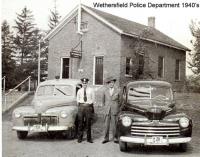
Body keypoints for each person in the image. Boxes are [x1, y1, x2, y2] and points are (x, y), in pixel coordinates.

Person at [102, 76, 121, 144]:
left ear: (114, 83)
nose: (111, 84)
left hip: (114, 110)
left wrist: (117, 109)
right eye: (110, 83)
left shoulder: (117, 90)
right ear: (108, 84)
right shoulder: (105, 91)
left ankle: (115, 138)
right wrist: (105, 108)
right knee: (106, 125)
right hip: (107, 110)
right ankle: (106, 138)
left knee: (114, 125)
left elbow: (120, 101)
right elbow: (103, 101)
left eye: (112, 82)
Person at [77, 78, 95, 143]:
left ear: (87, 83)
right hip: (81, 107)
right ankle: (80, 138)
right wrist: (80, 106)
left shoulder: (91, 90)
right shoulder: (79, 91)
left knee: (88, 123)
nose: (84, 84)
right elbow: (77, 99)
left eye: (85, 83)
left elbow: (93, 99)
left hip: (88, 107)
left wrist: (89, 104)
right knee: (80, 123)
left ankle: (89, 138)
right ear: (82, 83)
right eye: (83, 83)